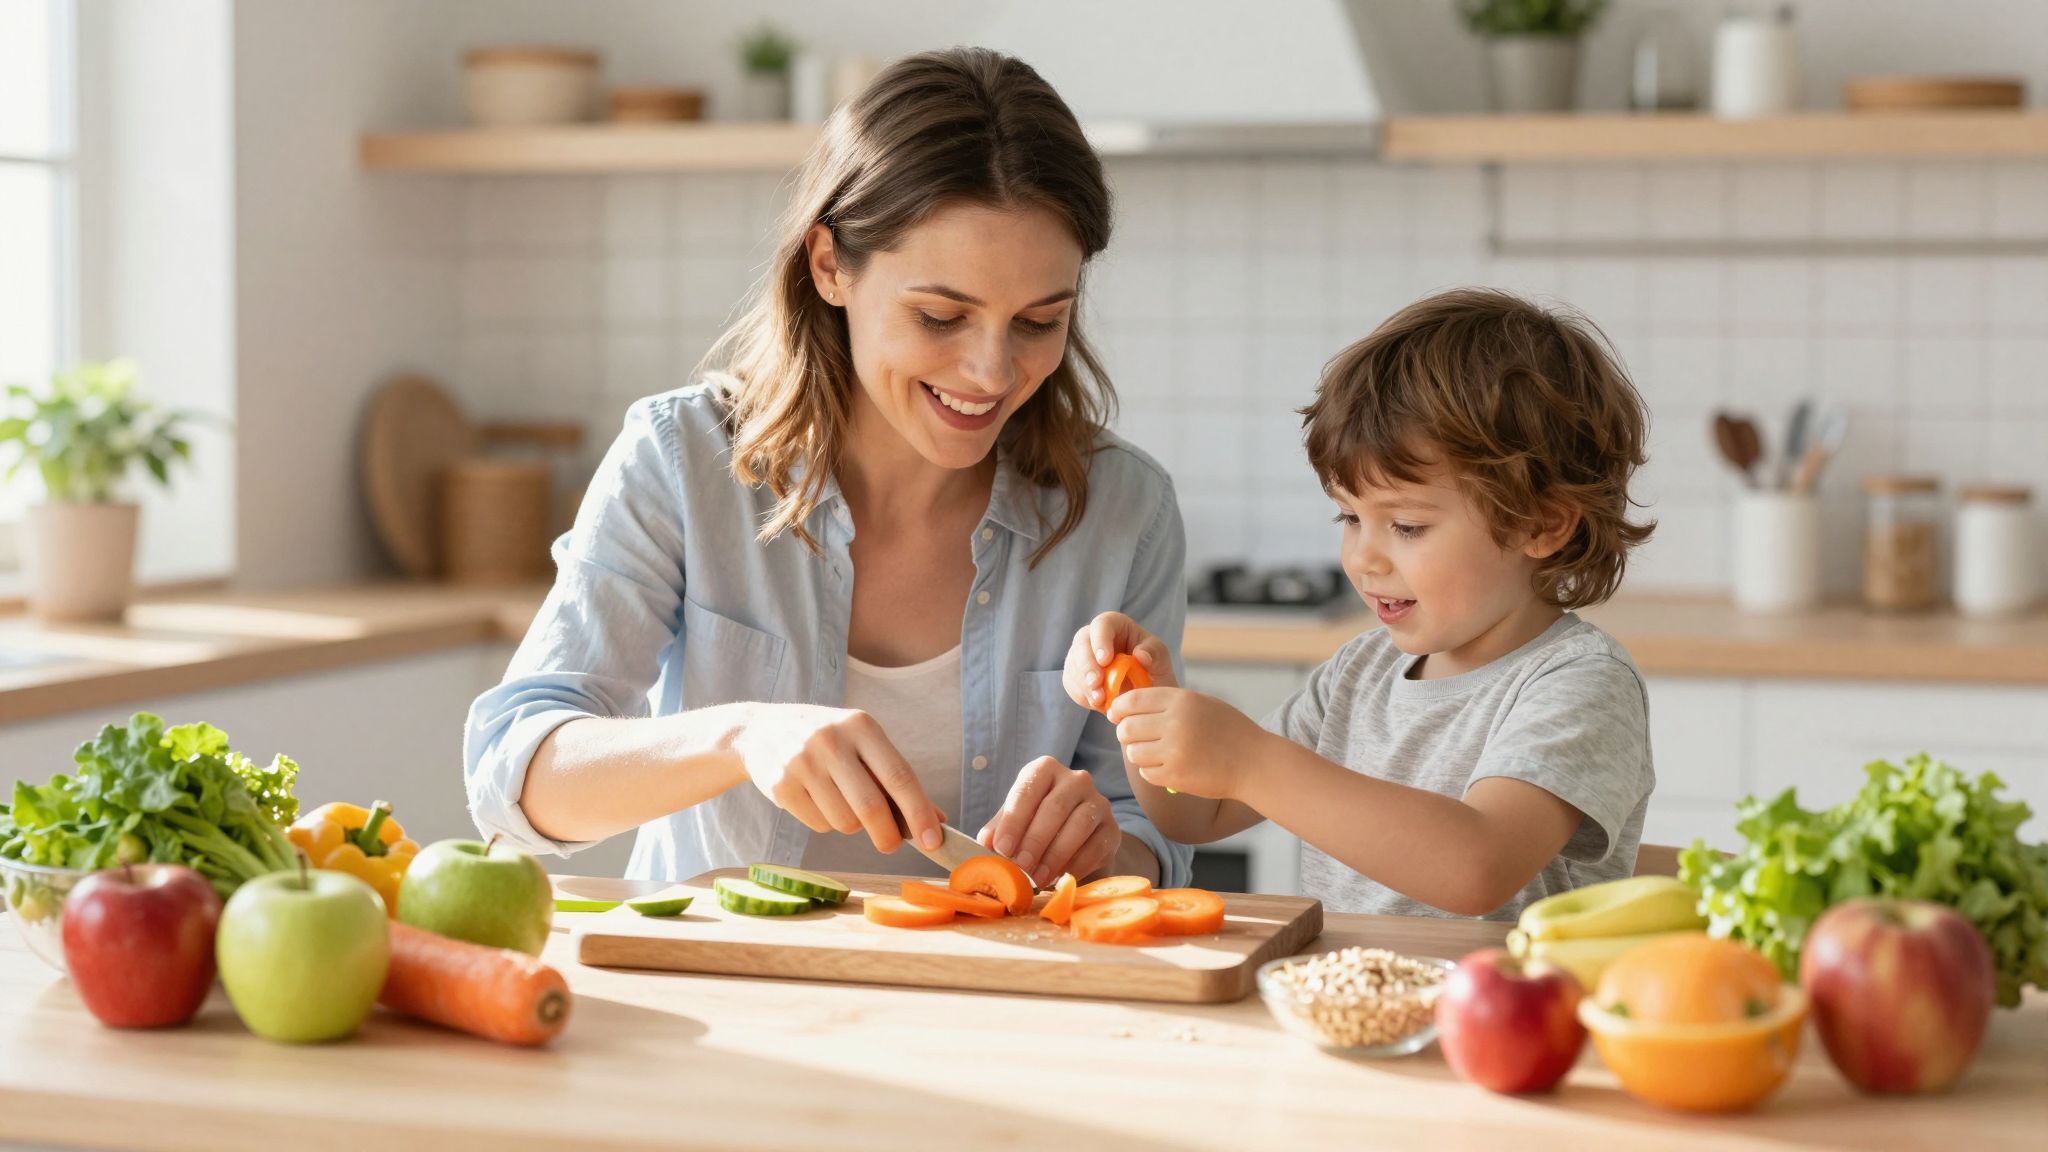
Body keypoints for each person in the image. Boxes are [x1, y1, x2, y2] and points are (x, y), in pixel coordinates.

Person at [466, 47, 1191, 891]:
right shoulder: (682, 460)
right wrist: (742, 738)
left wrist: (1106, 848)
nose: (992, 373)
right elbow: (513, 776)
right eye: (941, 315)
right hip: (733, 998)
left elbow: (1152, 832)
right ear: (830, 265)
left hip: (998, 1004)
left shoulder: (1122, 510)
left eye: (1038, 321)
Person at [1066, 288, 1656, 918]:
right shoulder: (1359, 673)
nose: (1363, 559)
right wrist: (1148, 711)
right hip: (1347, 1009)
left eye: (1406, 526)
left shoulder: (1579, 684)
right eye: (1350, 517)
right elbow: (1195, 812)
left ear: (1541, 524)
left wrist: (1251, 760)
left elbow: (1478, 868)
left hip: (1500, 1013)